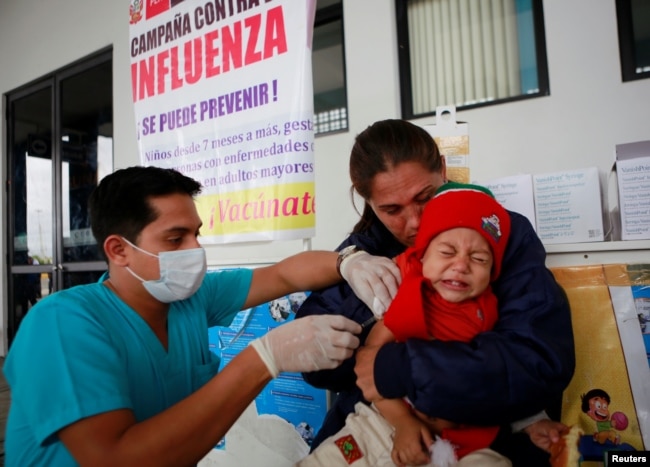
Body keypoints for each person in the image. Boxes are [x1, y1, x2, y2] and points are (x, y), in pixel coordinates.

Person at [2, 166, 401, 467]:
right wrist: (265, 358)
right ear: (118, 250)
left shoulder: (190, 300)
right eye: (176, 239)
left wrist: (350, 261)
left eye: (197, 233)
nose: (195, 250)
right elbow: (113, 458)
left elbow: (283, 274)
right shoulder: (63, 324)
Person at [295, 119, 576, 466]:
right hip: (372, 431)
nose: (413, 222)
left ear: (442, 168)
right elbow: (315, 367)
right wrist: (350, 269)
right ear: (367, 201)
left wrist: (403, 368)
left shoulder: (497, 234)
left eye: (424, 197)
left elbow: (538, 361)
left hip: (473, 438)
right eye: (391, 210)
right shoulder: (367, 250)